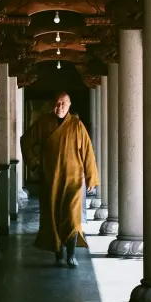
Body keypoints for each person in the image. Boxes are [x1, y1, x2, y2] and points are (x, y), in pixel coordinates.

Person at [20, 91, 98, 268]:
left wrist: (91, 177)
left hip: (74, 180)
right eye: (56, 103)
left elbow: (88, 152)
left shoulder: (77, 125)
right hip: (50, 178)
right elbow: (26, 141)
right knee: (53, 217)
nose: (59, 106)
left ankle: (71, 254)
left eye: (63, 103)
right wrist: (34, 163)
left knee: (72, 218)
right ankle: (58, 253)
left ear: (69, 105)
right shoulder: (43, 123)